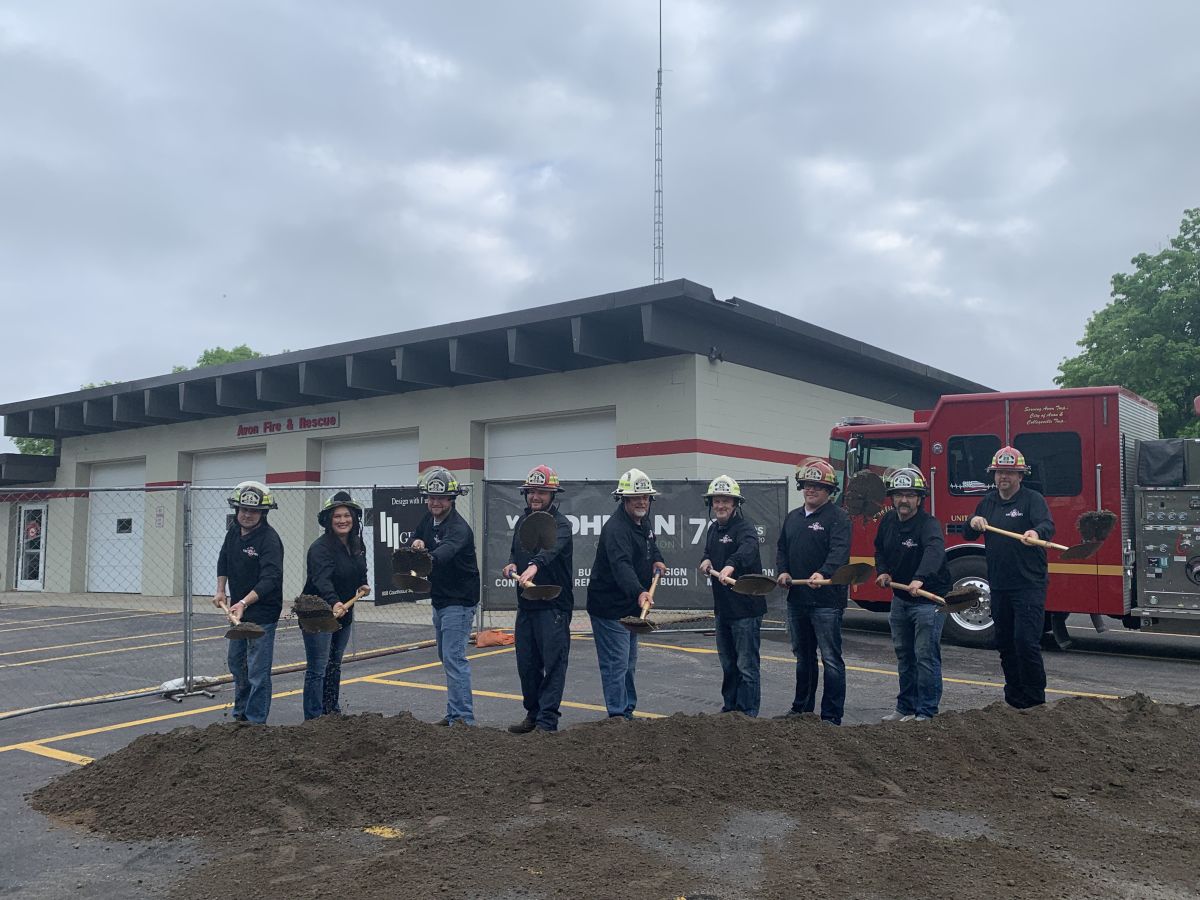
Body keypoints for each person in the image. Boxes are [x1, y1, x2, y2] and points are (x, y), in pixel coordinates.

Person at [966, 446, 1055, 709]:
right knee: (1004, 644)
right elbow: (968, 534)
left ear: (1020, 476)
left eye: (1009, 472)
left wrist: (1036, 534)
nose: (1003, 477)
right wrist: (973, 520)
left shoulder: (1032, 500)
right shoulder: (988, 501)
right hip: (1000, 585)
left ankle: (1035, 701)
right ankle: (1014, 700)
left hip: (1028, 584)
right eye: (999, 472)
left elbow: (1047, 526)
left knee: (1026, 643)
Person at [775, 458, 852, 724]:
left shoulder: (838, 518)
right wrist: (782, 571)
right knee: (803, 657)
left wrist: (825, 573)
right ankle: (801, 710)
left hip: (827, 602)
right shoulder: (793, 517)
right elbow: (782, 549)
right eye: (808, 485)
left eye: (818, 486)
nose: (811, 490)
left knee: (830, 659)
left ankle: (831, 717)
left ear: (830, 490)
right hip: (797, 599)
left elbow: (840, 552)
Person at [586, 468, 666, 719]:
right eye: (635, 498)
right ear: (624, 500)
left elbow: (650, 546)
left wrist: (658, 560)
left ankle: (627, 711)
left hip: (629, 606)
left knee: (628, 664)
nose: (642, 502)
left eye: (645, 497)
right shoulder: (616, 529)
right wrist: (640, 592)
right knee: (616, 664)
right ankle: (617, 716)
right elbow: (621, 566)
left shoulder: (643, 521)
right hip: (609, 608)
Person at [873, 467, 951, 722]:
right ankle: (904, 708)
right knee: (904, 655)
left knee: (925, 657)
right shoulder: (888, 521)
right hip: (901, 601)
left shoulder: (929, 525)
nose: (903, 500)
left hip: (928, 601)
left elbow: (934, 552)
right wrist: (883, 571)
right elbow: (879, 550)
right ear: (892, 497)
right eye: (898, 495)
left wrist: (920, 578)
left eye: (909, 495)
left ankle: (926, 712)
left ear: (920, 498)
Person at [501, 465, 574, 733]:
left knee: (554, 664)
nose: (535, 496)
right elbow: (514, 552)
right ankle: (533, 714)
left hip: (553, 607)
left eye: (541, 492)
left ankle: (547, 721)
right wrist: (511, 565)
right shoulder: (523, 521)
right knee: (527, 666)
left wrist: (534, 566)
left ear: (553, 494)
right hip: (526, 605)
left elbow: (551, 550)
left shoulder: (562, 525)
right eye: (531, 491)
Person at [411, 466, 480, 726]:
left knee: (454, 658)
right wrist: (418, 543)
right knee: (446, 657)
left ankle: (463, 720)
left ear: (452, 499)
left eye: (440, 498)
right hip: (440, 599)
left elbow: (445, 553)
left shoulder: (459, 528)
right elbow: (419, 536)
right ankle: (454, 713)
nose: (434, 502)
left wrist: (424, 556)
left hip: (459, 602)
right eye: (430, 497)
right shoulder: (428, 520)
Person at [212, 481, 284, 724]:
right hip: (238, 612)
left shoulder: (269, 540)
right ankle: (240, 715)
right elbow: (223, 560)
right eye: (243, 509)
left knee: (257, 670)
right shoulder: (233, 532)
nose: (247, 514)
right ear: (237, 510)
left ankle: (255, 722)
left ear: (263, 513)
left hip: (262, 613)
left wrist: (243, 601)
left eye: (253, 511)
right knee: (237, 664)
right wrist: (221, 590)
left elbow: (270, 579)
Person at [698, 475, 765, 717]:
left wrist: (731, 565)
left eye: (726, 501)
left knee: (746, 666)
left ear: (736, 504)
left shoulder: (745, 529)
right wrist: (706, 560)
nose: (720, 506)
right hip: (723, 609)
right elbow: (708, 552)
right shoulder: (714, 528)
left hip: (746, 610)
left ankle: (747, 714)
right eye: (717, 501)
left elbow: (747, 550)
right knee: (728, 664)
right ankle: (730, 710)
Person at [301, 490, 369, 720]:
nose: (343, 520)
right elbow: (322, 579)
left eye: (347, 515)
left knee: (334, 665)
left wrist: (363, 583)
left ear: (354, 518)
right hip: (318, 613)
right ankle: (313, 718)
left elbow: (361, 568)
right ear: (329, 521)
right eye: (337, 516)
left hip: (343, 613)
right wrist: (335, 601)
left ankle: (331, 711)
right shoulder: (320, 548)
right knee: (318, 668)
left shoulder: (357, 544)